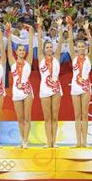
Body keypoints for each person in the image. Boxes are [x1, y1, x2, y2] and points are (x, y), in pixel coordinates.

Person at [37, 17, 63, 148]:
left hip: (56, 89)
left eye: (50, 47)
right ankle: (48, 142)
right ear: (43, 49)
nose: (49, 49)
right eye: (47, 47)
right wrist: (40, 25)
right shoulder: (40, 58)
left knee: (54, 117)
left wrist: (60, 27)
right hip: (44, 90)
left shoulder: (56, 57)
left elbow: (60, 43)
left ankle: (54, 141)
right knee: (47, 118)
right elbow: (39, 38)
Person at [7, 23, 34, 148]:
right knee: (20, 118)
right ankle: (22, 140)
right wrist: (8, 32)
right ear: (16, 51)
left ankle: (26, 141)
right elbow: (8, 50)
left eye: (24, 50)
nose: (22, 52)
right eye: (20, 50)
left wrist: (31, 31)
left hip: (27, 91)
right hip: (16, 92)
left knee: (27, 118)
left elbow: (31, 43)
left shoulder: (28, 61)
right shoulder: (12, 62)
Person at [68, 20, 92, 148]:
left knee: (85, 114)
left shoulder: (89, 57)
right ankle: (78, 141)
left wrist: (87, 30)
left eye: (83, 46)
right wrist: (70, 27)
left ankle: (85, 141)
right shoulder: (74, 57)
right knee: (77, 115)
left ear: (86, 48)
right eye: (79, 47)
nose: (81, 48)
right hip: (75, 87)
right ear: (76, 48)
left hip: (85, 87)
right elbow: (69, 43)